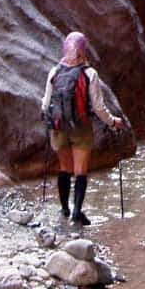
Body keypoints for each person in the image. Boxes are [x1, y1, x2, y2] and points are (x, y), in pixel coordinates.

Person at [42, 32, 128, 225]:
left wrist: (51, 121)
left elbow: (46, 103)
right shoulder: (90, 74)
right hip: (81, 127)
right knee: (80, 170)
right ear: (83, 49)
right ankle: (77, 213)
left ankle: (64, 209)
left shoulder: (54, 72)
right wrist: (113, 122)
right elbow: (98, 107)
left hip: (59, 126)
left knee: (64, 168)